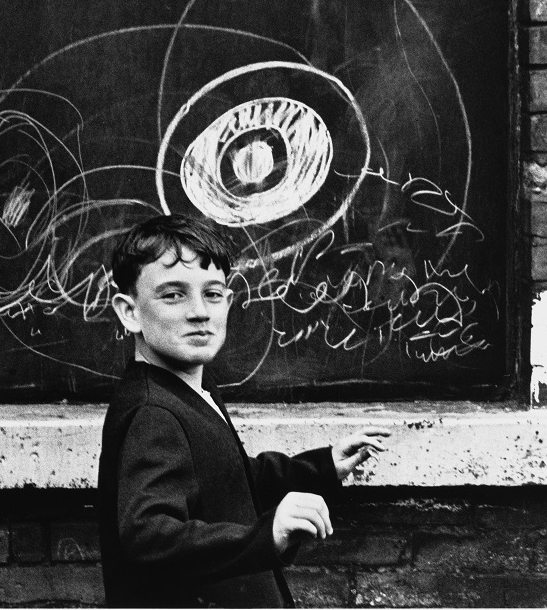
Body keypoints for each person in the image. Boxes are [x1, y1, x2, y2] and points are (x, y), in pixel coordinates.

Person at [97, 214, 391, 608]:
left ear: (229, 302)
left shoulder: (191, 389)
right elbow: (149, 535)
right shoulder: (154, 413)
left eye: (213, 294)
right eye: (173, 295)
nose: (199, 312)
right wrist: (265, 535)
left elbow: (228, 473)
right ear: (129, 311)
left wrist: (323, 466)